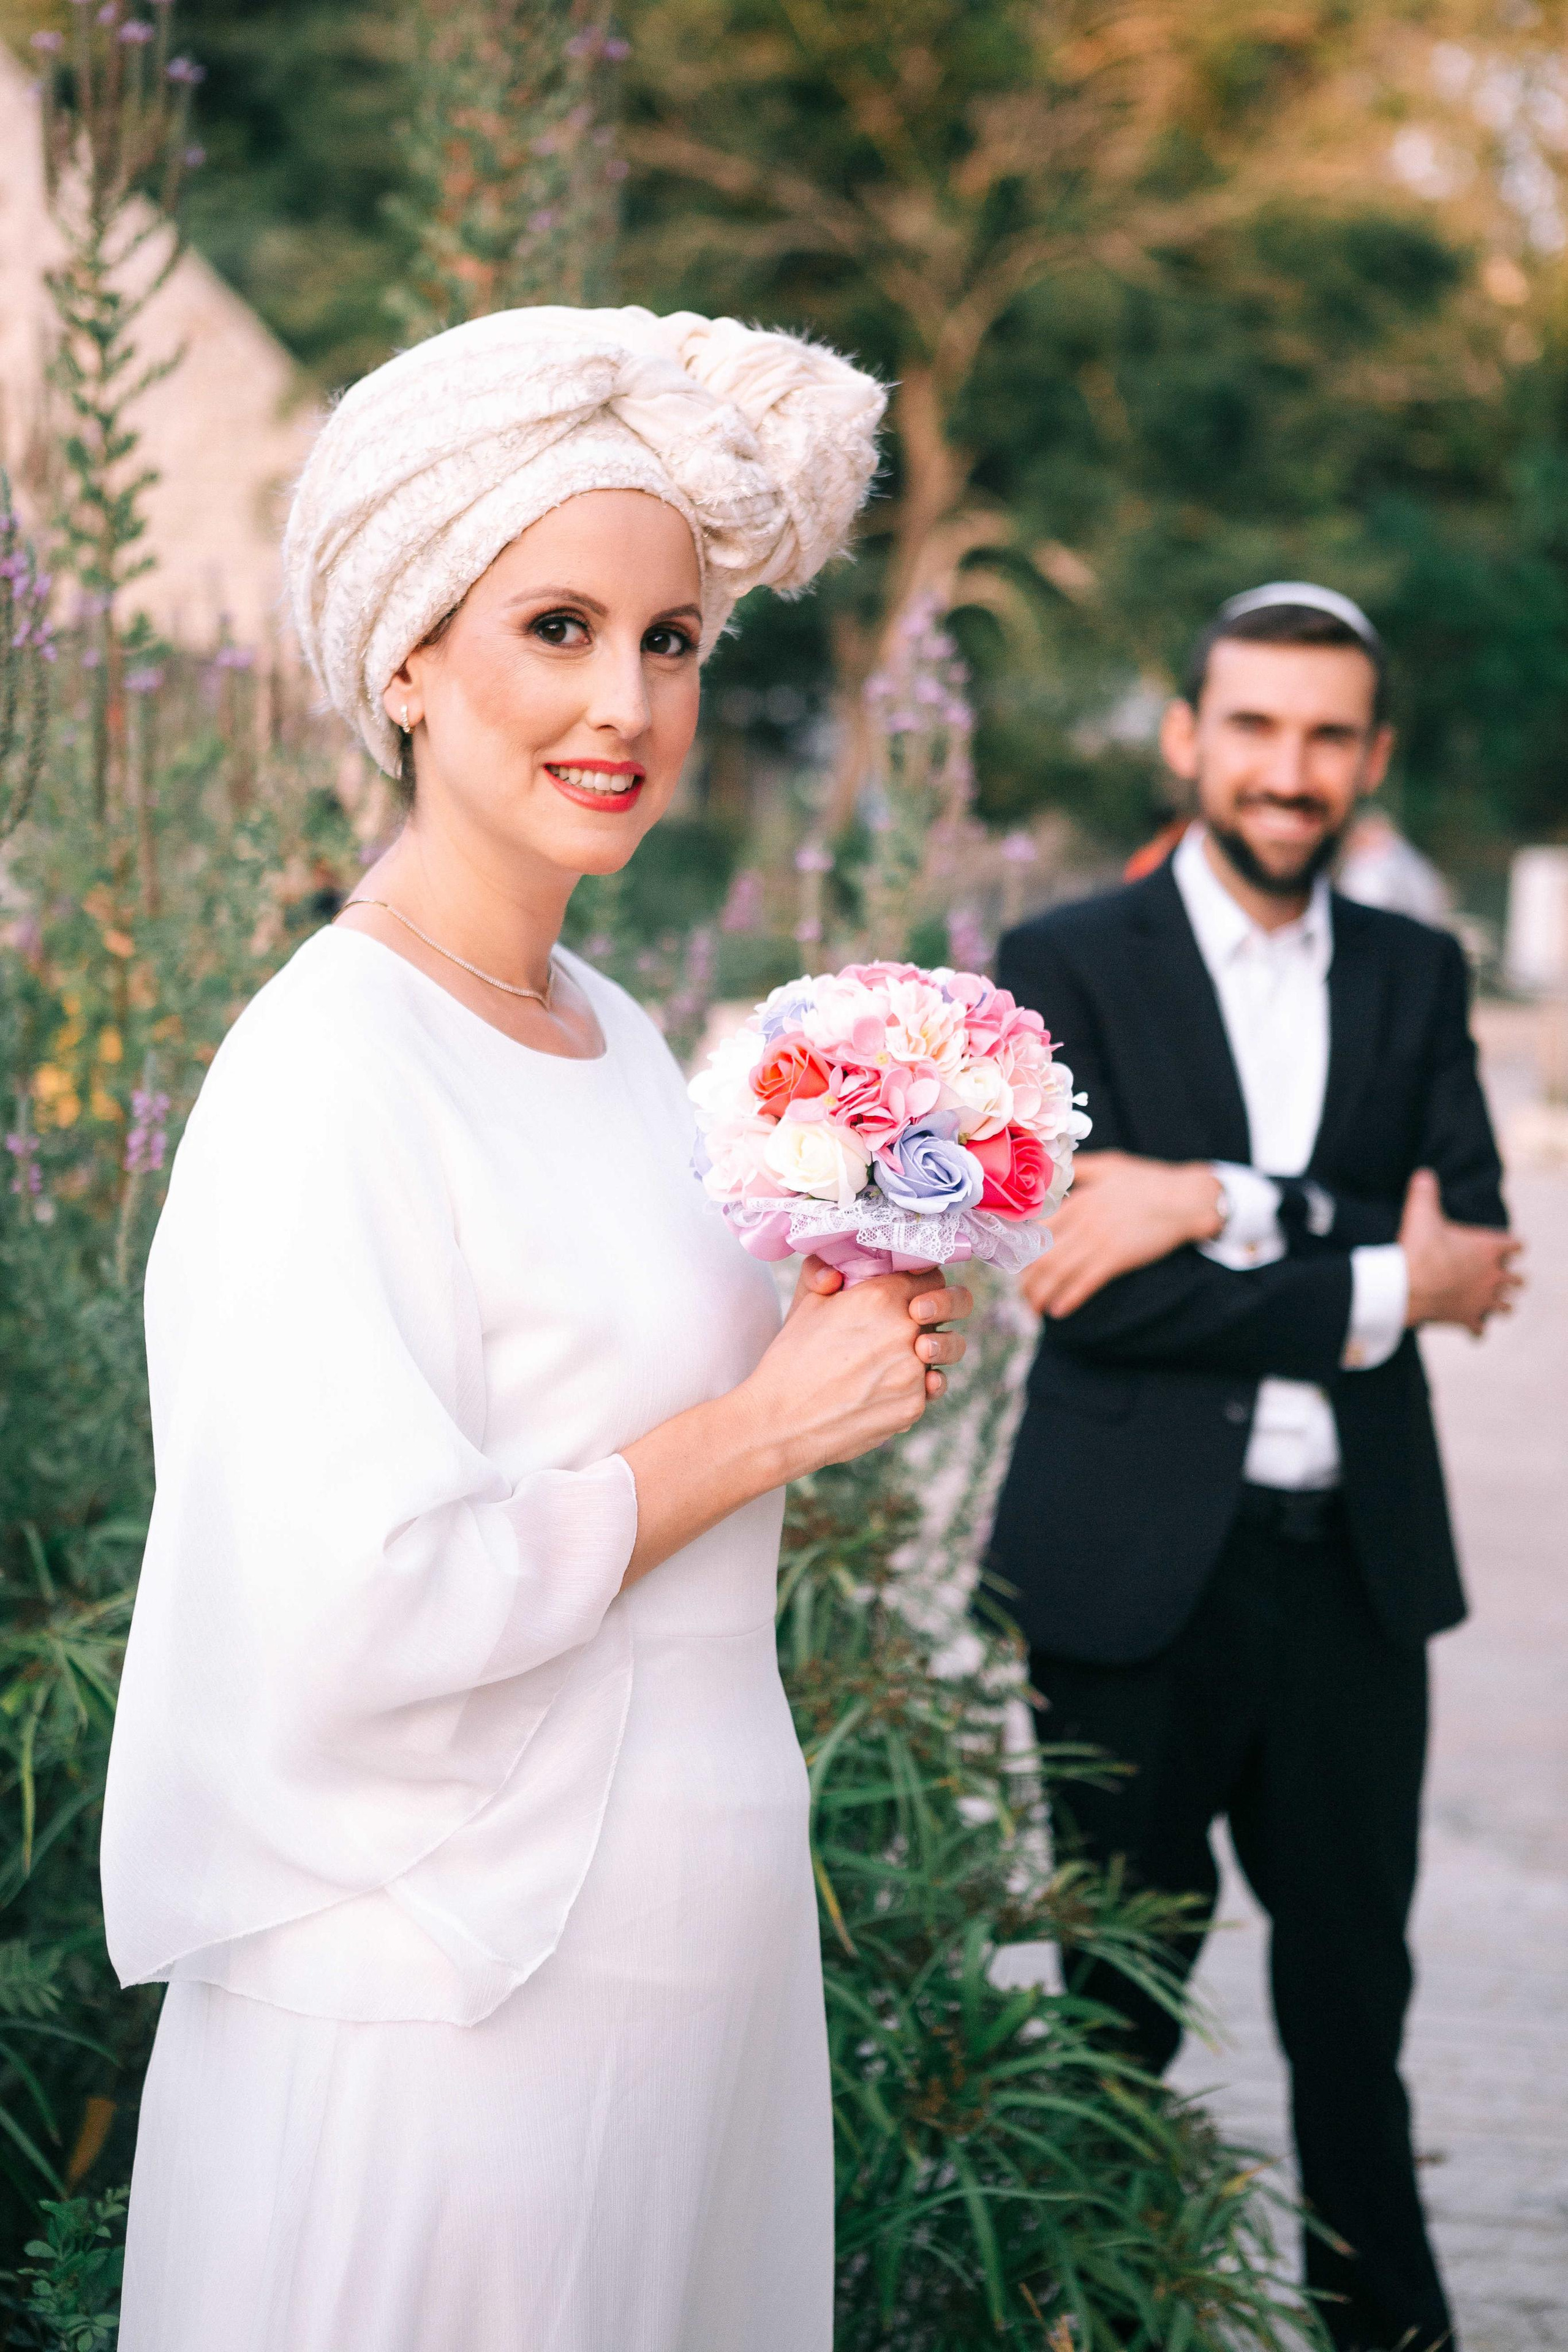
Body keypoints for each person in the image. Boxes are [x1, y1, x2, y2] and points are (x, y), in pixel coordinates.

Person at [100, 304, 974, 2352]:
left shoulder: (620, 1038)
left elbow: (634, 1419)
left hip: (691, 1983)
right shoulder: (329, 1066)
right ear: (407, 659)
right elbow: (355, 1597)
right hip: (452, 2012)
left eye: (669, 641)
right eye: (557, 627)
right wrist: (766, 1425)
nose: (626, 701)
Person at [989, 582, 1522, 2352]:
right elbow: (1095, 1303)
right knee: (1112, 2008)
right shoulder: (1064, 963)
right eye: (1256, 728)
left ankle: (1392, 2337)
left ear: (1369, 759)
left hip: (1356, 1573)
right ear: (1187, 737)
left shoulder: (1417, 971)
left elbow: (1484, 1239)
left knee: (1355, 2009)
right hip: (1132, 1576)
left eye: (1325, 738)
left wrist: (1211, 1200)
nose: (1288, 772)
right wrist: (1372, 1271)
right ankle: (1103, 2324)